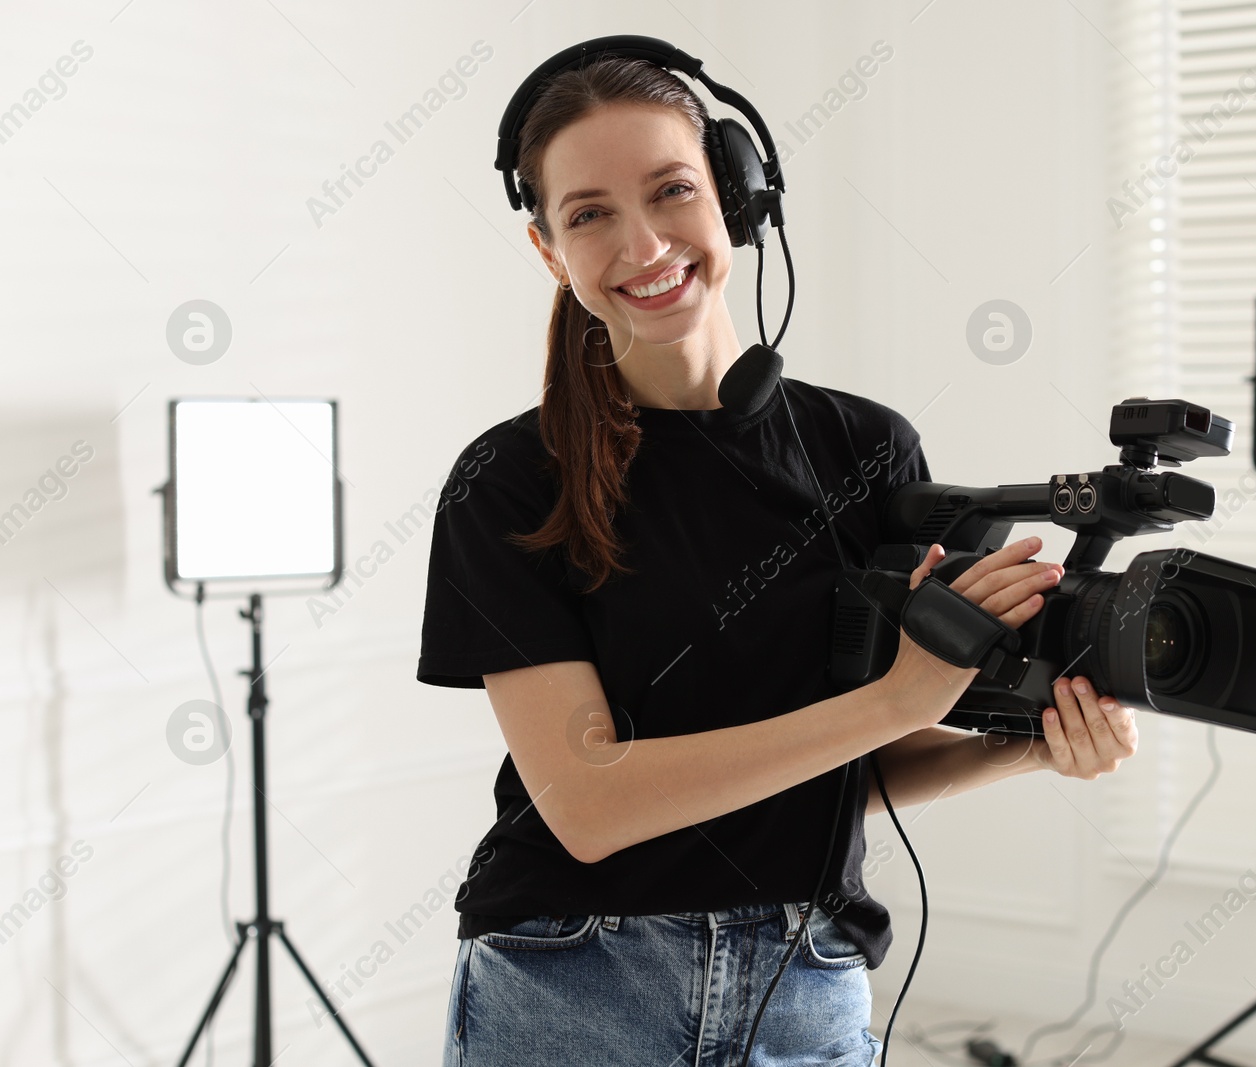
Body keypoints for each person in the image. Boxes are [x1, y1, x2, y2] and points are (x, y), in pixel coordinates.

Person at [416, 53, 1139, 1067]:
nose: (642, 242)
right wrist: (898, 696)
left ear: (738, 200)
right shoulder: (506, 479)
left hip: (806, 981)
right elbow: (587, 804)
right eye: (588, 215)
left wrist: (1023, 744)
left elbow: (842, 766)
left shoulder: (871, 452)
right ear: (548, 250)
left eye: (672, 191)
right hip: (575, 986)